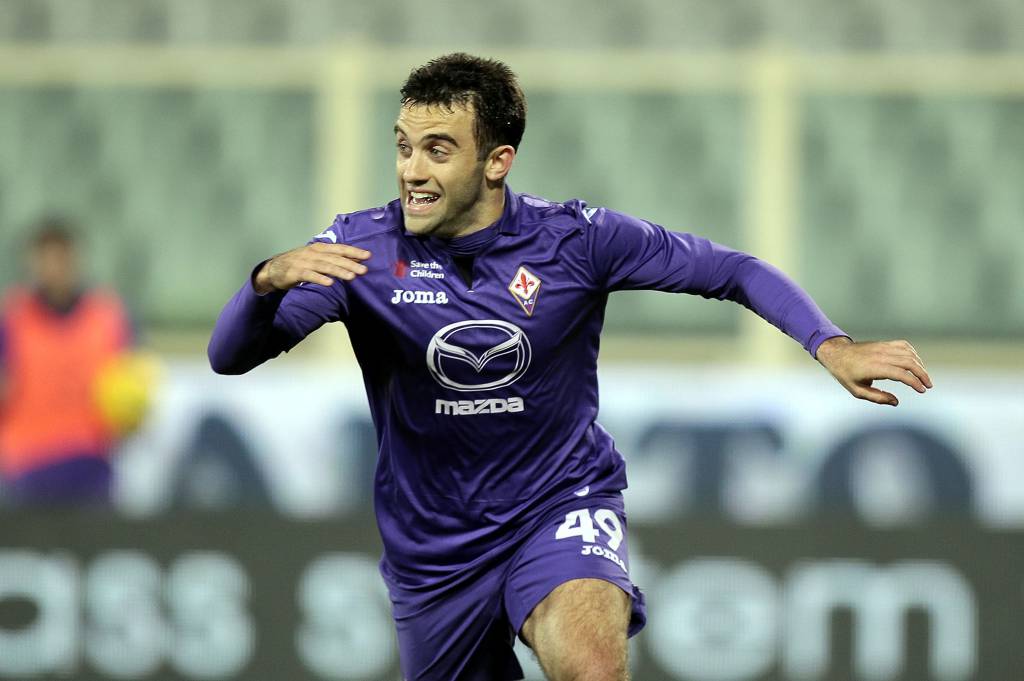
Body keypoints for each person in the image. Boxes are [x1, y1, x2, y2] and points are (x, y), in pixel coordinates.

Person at [208, 53, 932, 681]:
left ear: (497, 161)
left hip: (558, 503)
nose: (411, 172)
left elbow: (732, 270)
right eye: (403, 147)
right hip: (433, 549)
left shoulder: (576, 240)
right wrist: (265, 282)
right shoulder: (359, 252)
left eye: (437, 150)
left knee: (591, 666)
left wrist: (831, 344)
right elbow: (231, 356)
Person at [0, 219, 133, 505]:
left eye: (61, 258)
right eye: (46, 259)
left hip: (90, 460)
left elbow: (128, 383)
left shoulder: (107, 316)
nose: (54, 269)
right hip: (27, 463)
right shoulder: (12, 318)